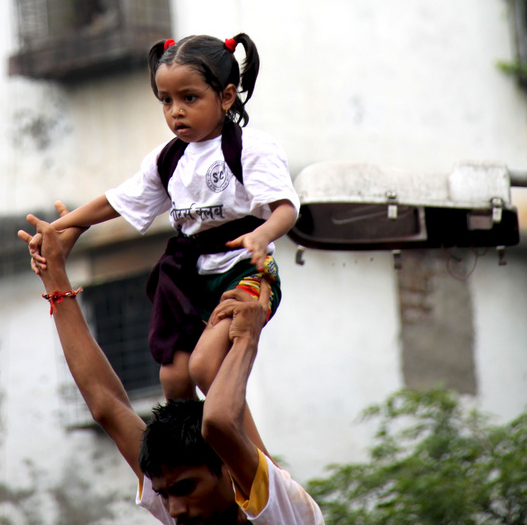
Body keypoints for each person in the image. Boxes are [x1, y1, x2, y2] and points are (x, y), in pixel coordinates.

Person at [24, 33, 299, 415]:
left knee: (205, 366)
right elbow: (115, 202)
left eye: (189, 98)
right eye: (166, 101)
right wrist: (61, 226)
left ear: (226, 97)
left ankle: (256, 465)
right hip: (191, 279)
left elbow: (286, 208)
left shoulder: (252, 148)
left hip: (244, 274)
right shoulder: (166, 160)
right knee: (173, 378)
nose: (176, 111)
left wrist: (261, 235)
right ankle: (197, 462)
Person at [18, 213, 325, 524]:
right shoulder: (187, 502)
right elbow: (105, 405)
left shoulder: (284, 511)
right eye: (164, 494)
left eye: (185, 488)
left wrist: (246, 338)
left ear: (229, 468)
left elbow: (219, 423)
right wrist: (53, 272)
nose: (174, 510)